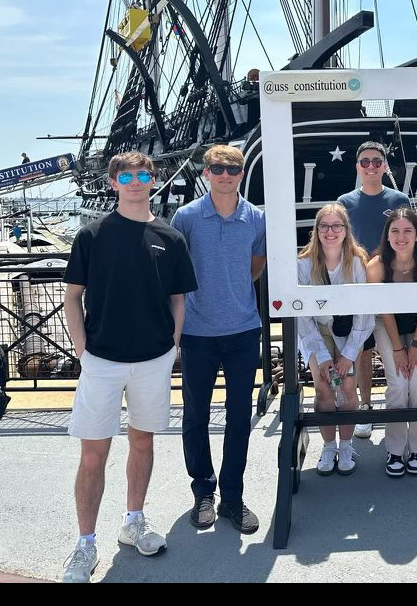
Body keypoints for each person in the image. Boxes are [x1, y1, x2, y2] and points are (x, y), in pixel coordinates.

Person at [60, 151, 196, 583]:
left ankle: (133, 520)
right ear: (114, 182)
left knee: (142, 443)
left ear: (153, 181)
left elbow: (179, 297)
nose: (135, 182)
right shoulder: (92, 236)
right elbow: (72, 297)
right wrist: (82, 350)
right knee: (93, 452)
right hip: (101, 359)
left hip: (153, 359)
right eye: (127, 176)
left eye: (142, 175)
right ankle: (85, 544)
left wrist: (172, 342)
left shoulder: (170, 239)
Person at [171, 144, 266, 534]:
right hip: (197, 332)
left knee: (239, 416)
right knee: (196, 414)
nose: (225, 175)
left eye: (233, 168)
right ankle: (203, 491)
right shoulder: (187, 217)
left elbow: (256, 266)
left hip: (243, 329)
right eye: (217, 168)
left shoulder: (256, 218)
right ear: (206, 172)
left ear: (242, 174)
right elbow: (175, 270)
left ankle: (233, 495)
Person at [337, 141, 409, 438]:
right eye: (365, 162)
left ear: (384, 166)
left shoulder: (399, 198)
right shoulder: (344, 202)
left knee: (396, 350)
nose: (370, 167)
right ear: (357, 167)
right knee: (362, 351)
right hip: (359, 286)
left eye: (376, 162)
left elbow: (411, 238)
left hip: (393, 286)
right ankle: (365, 406)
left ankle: (401, 410)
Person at [366, 207, 417, 476]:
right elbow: (383, 310)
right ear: (387, 236)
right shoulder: (376, 266)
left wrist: (415, 347)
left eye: (407, 231)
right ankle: (395, 449)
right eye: (395, 231)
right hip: (388, 324)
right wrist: (399, 350)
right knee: (399, 383)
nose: (401, 237)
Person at [296, 203, 374, 475]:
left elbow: (365, 313)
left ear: (345, 230)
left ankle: (346, 444)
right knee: (324, 390)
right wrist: (324, 355)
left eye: (336, 226)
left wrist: (349, 353)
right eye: (324, 226)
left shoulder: (357, 263)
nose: (330, 232)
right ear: (316, 231)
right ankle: (328, 445)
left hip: (349, 331)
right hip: (316, 333)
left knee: (349, 388)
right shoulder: (304, 264)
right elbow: (301, 314)